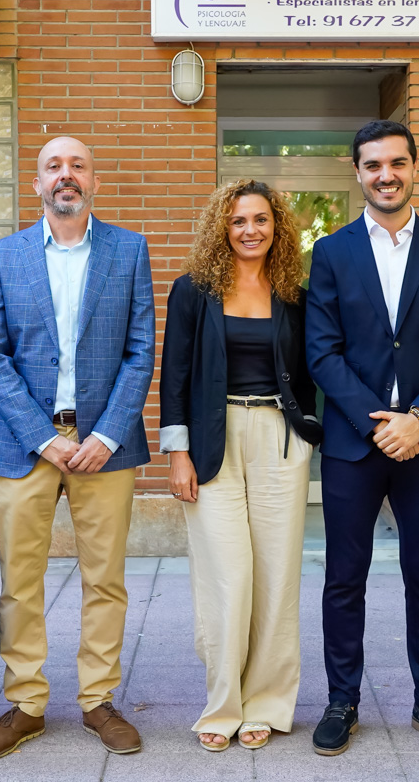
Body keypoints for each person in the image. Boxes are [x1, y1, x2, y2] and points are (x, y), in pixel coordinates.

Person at [0, 136, 155, 760]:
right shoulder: (4, 256)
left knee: (105, 577)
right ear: (38, 183)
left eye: (78, 166)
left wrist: (105, 435)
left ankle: (98, 699)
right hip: (26, 444)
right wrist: (45, 438)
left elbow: (140, 351)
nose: (66, 176)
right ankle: (26, 703)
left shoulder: (129, 250)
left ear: (94, 180)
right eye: (54, 166)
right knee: (19, 580)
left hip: (107, 440)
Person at [305, 120, 419, 757]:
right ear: (358, 172)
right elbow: (321, 354)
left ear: (413, 167)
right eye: (373, 165)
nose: (386, 175)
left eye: (397, 163)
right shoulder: (330, 253)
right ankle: (341, 701)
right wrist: (379, 423)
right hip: (356, 445)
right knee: (344, 578)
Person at [159, 179, 323, 752]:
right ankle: (223, 705)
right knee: (227, 575)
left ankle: (269, 703)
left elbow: (316, 370)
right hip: (211, 439)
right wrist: (177, 451)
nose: (249, 230)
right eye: (237, 221)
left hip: (279, 440)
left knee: (278, 575)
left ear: (277, 227)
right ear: (221, 229)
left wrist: (310, 429)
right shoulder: (192, 291)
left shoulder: (296, 296)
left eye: (260, 220)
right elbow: (174, 375)